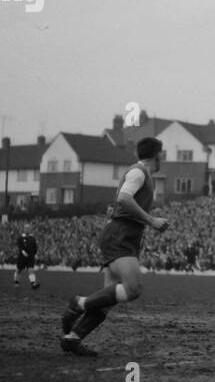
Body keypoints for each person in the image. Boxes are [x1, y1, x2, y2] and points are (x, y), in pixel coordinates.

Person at [59, 137, 169, 356]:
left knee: (108, 300)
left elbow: (124, 201)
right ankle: (78, 303)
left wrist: (146, 220)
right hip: (120, 235)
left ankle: (73, 338)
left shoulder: (142, 174)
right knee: (133, 288)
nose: (163, 158)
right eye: (162, 154)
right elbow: (124, 198)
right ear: (156, 155)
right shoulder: (139, 172)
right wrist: (151, 220)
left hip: (124, 235)